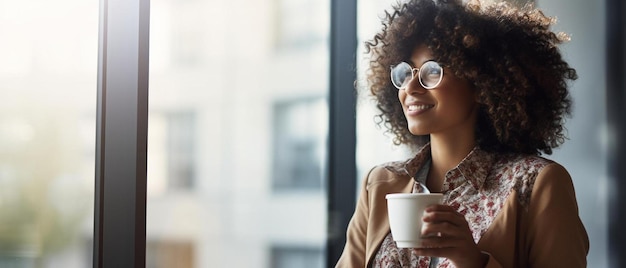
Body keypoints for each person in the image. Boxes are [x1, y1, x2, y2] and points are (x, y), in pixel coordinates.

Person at [335, 0, 589, 267]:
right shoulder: (379, 185)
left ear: (480, 84)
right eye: (405, 72)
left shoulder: (537, 184)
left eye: (432, 71)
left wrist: (473, 261)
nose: (410, 86)